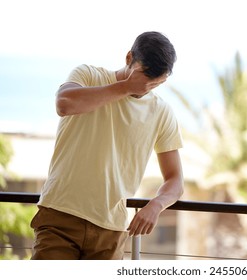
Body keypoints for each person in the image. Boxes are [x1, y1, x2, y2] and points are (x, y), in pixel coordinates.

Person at [30, 31, 184, 260]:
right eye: (143, 77)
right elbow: (64, 103)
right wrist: (126, 87)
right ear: (128, 57)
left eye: (156, 83)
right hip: (60, 217)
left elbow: (175, 179)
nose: (146, 87)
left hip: (110, 231)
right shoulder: (89, 75)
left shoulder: (162, 112)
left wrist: (156, 205)